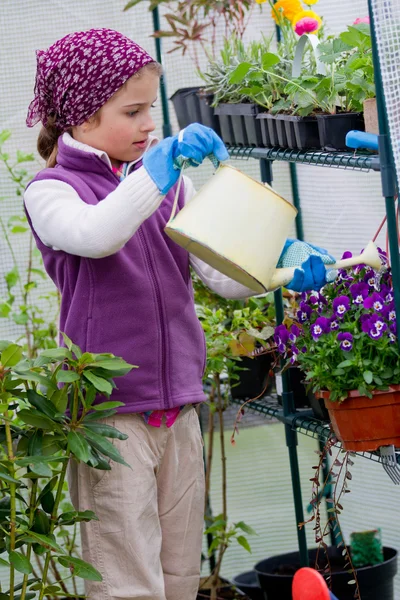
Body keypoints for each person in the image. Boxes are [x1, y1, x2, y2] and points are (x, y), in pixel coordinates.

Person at [24, 28, 336, 600]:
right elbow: (97, 236)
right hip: (109, 417)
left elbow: (220, 274)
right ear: (80, 117)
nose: (150, 124)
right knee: (126, 582)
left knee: (178, 575)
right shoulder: (52, 190)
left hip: (180, 405)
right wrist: (158, 172)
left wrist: (284, 266)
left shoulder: (167, 186)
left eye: (152, 110)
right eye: (133, 110)